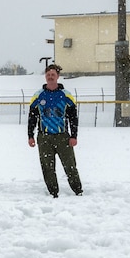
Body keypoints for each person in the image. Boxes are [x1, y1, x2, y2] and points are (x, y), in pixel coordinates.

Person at [26, 64, 82, 197]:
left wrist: (74, 136)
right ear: (45, 77)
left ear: (58, 77)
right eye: (48, 75)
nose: (50, 77)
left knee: (70, 165)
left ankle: (77, 190)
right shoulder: (38, 96)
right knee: (47, 167)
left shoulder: (66, 95)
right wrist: (30, 135)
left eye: (53, 75)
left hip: (62, 137)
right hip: (44, 138)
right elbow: (32, 117)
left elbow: (73, 117)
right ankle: (53, 192)